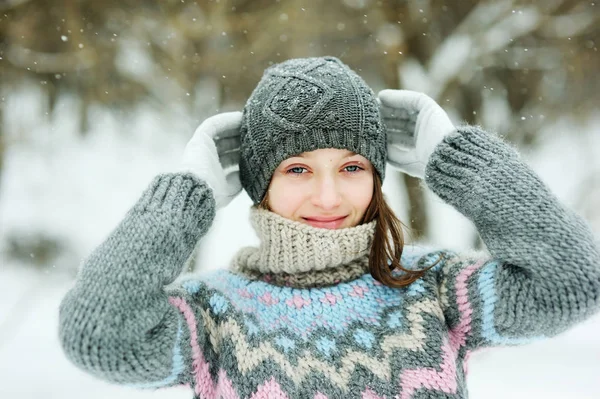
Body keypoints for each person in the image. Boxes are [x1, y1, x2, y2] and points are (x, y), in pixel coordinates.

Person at [58, 56, 600, 399]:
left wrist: (458, 160)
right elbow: (99, 337)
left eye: (351, 167)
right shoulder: (213, 316)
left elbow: (572, 283)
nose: (327, 196)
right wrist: (183, 199)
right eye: (297, 169)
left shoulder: (431, 289)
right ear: (258, 183)